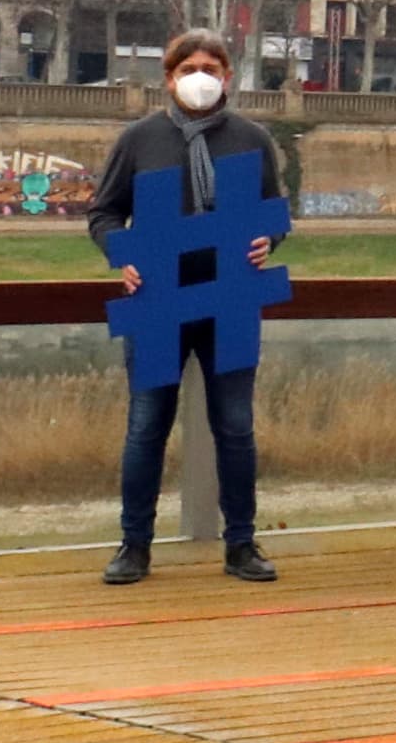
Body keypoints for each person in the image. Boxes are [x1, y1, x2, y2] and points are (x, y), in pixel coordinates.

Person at [89, 29, 286, 585]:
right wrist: (120, 254)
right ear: (169, 77)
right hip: (157, 301)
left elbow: (276, 213)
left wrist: (269, 240)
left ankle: (242, 544)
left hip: (231, 299)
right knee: (147, 426)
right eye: (188, 67)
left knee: (236, 426)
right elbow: (102, 213)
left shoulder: (252, 139)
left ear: (228, 76)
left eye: (211, 66)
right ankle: (134, 545)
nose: (200, 76)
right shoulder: (138, 139)